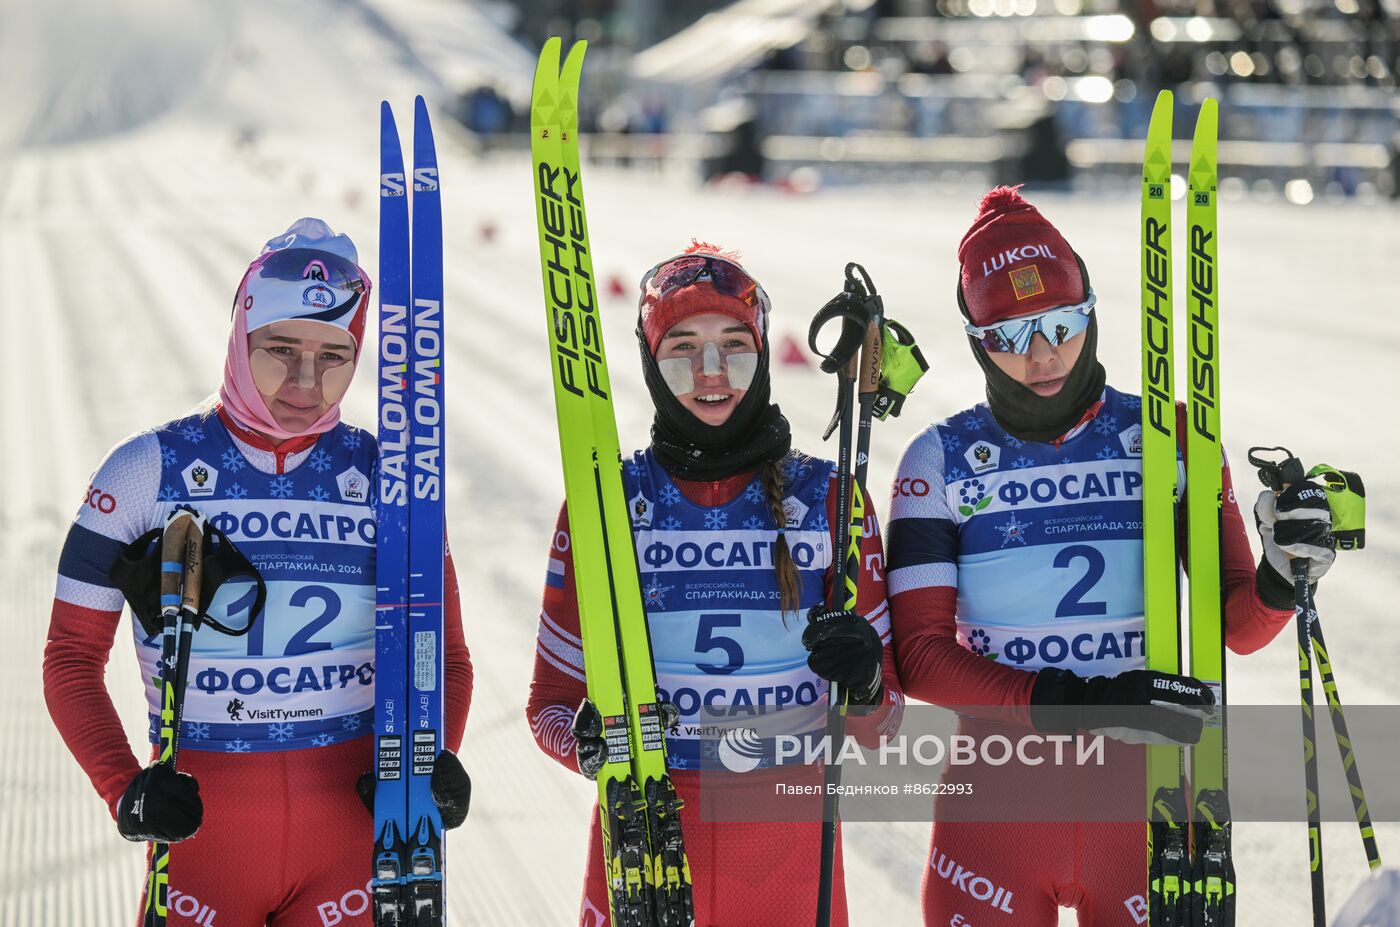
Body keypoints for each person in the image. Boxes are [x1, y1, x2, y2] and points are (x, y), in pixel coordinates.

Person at [886, 187, 1333, 924]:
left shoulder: (1173, 441)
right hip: (997, 806)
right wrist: (1079, 701)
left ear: (1091, 311)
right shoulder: (940, 461)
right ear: (976, 340)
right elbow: (922, 657)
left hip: (1148, 796)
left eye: (1062, 322)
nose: (1043, 352)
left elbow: (1237, 627)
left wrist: (1285, 576)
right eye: (1010, 335)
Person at [44, 218, 473, 927]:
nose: (308, 380)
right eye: (281, 350)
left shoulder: (389, 478)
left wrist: (430, 762)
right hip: (205, 846)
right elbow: (70, 656)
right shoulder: (147, 469)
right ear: (240, 337)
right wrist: (126, 790)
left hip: (350, 844)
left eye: (335, 355)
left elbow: (447, 657)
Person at [526, 242, 905, 926]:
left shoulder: (830, 498)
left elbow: (887, 724)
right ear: (648, 359)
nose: (711, 371)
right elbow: (548, 705)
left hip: (790, 856)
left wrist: (868, 682)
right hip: (645, 844)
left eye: (734, 343)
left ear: (762, 354)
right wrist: (586, 742)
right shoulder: (607, 501)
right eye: (681, 348)